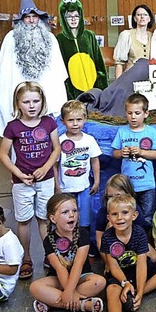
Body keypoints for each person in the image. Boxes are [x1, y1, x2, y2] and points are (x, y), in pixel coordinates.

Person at [0, 81, 61, 279]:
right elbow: (3, 154)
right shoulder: (13, 127)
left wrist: (45, 168)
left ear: (42, 101)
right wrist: (18, 173)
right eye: (26, 102)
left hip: (45, 180)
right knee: (24, 220)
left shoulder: (49, 122)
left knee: (44, 219)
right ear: (18, 103)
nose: (32, 106)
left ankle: (49, 256)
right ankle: (26, 258)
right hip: (22, 182)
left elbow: (56, 148)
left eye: (36, 101)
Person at [0, 0, 67, 137]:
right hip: (18, 96)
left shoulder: (50, 38)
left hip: (46, 95)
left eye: (34, 17)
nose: (32, 20)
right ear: (21, 20)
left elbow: (58, 72)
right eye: (27, 17)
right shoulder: (10, 39)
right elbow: (4, 72)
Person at [29, 193, 105, 312]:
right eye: (65, 212)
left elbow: (78, 266)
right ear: (53, 218)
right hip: (58, 279)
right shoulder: (49, 240)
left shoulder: (83, 234)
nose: (72, 215)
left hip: (81, 276)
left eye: (74, 211)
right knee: (34, 287)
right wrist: (71, 293)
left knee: (100, 282)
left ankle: (53, 303)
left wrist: (70, 292)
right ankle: (82, 304)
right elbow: (60, 269)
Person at [102, 195, 156, 312]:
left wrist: (141, 292)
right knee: (111, 290)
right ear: (108, 218)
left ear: (134, 216)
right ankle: (126, 292)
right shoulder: (107, 237)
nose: (119, 218)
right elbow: (113, 266)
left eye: (125, 213)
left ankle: (136, 292)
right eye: (114, 214)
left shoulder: (140, 233)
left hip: (140, 270)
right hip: (121, 275)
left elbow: (142, 264)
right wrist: (124, 282)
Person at [55, 100, 101, 256]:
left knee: (86, 219)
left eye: (79, 120)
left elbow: (95, 160)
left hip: (84, 187)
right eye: (70, 120)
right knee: (67, 219)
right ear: (63, 121)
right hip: (66, 189)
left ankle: (86, 245)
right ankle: (66, 246)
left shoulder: (89, 140)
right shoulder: (59, 141)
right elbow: (55, 165)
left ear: (85, 119)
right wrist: (57, 186)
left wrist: (96, 180)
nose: (75, 124)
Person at [112, 94, 156, 227]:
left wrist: (141, 152)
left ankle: (146, 244)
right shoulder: (122, 131)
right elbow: (114, 153)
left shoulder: (151, 131)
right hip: (127, 186)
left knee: (147, 217)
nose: (133, 116)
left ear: (146, 114)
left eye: (137, 113)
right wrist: (121, 152)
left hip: (147, 185)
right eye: (130, 113)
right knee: (127, 216)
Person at [95, 174, 156, 273]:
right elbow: (99, 241)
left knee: (154, 258)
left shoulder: (135, 210)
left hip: (133, 244)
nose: (113, 200)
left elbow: (140, 235)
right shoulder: (103, 212)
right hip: (112, 248)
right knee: (112, 224)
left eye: (118, 196)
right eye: (110, 197)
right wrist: (107, 261)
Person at [56, 0, 108, 100]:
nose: (73, 19)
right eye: (69, 16)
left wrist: (102, 85)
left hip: (93, 84)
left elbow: (99, 62)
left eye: (76, 16)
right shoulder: (59, 39)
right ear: (63, 18)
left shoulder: (89, 35)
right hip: (72, 87)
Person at [113, 4, 154, 78]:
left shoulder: (153, 36)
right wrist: (118, 83)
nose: (142, 17)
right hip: (131, 77)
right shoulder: (126, 35)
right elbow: (119, 63)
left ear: (149, 18)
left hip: (150, 77)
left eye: (145, 14)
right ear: (135, 18)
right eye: (139, 15)